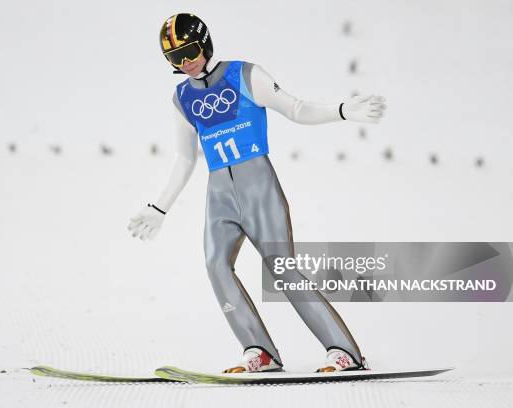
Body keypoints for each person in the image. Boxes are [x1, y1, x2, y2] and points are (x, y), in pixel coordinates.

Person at [128, 13, 386, 373]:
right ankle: (259, 350)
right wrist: (160, 207)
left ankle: (345, 351)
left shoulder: (245, 75)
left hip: (258, 185)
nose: (185, 63)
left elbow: (295, 109)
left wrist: (341, 111)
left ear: (204, 43)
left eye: (188, 52)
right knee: (216, 265)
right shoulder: (182, 97)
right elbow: (185, 157)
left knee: (282, 270)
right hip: (219, 192)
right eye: (175, 58)